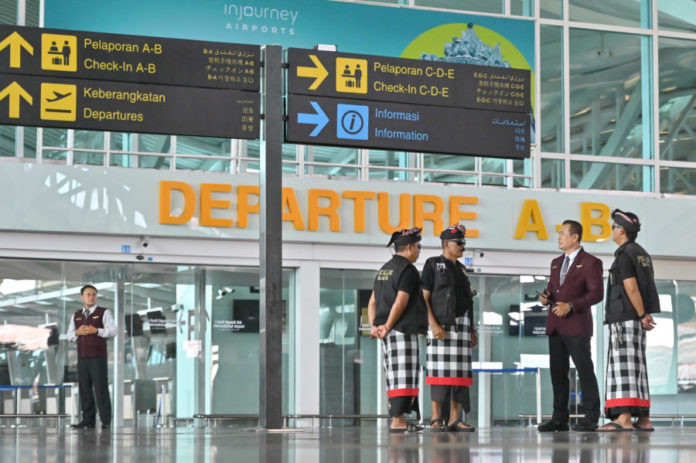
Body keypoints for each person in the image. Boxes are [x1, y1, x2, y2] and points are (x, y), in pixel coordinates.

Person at [538, 220, 603, 432]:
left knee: (584, 371)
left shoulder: (591, 262)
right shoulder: (556, 262)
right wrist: (546, 297)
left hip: (577, 326)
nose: (558, 237)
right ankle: (559, 419)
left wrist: (571, 306)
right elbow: (553, 289)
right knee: (558, 373)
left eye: (562, 233)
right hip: (555, 325)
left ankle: (591, 417)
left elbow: (596, 294)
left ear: (575, 237)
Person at [598, 209, 659, 432]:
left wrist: (642, 314)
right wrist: (643, 314)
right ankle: (643, 419)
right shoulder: (642, 253)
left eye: (613, 227)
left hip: (625, 318)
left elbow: (631, 287)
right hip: (636, 319)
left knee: (622, 368)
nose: (612, 231)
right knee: (637, 368)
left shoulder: (624, 255)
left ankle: (623, 418)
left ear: (621, 230)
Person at [368, 227, 428, 433]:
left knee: (393, 374)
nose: (419, 251)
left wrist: (375, 326)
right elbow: (401, 301)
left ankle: (398, 419)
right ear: (409, 247)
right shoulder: (407, 270)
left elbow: (372, 302)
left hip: (387, 332)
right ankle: (398, 420)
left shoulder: (384, 270)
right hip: (402, 329)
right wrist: (388, 325)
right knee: (404, 374)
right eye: (418, 246)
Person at [422, 224, 477, 432]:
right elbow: (423, 297)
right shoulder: (433, 264)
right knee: (439, 375)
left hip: (462, 326)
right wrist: (433, 323)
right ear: (446, 244)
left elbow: (467, 300)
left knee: (459, 377)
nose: (463, 246)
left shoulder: (462, 269)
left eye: (463, 242)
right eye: (458, 242)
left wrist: (472, 329)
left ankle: (455, 418)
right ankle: (436, 418)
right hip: (441, 325)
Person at [67, 284, 117, 429]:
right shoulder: (76, 315)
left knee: (101, 388)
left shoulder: (104, 312)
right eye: (88, 294)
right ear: (82, 297)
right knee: (84, 389)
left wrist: (97, 331)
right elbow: (69, 335)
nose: (91, 297)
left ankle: (105, 421)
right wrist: (77, 333)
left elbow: (113, 331)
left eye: (94, 294)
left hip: (98, 357)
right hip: (82, 358)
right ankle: (88, 420)